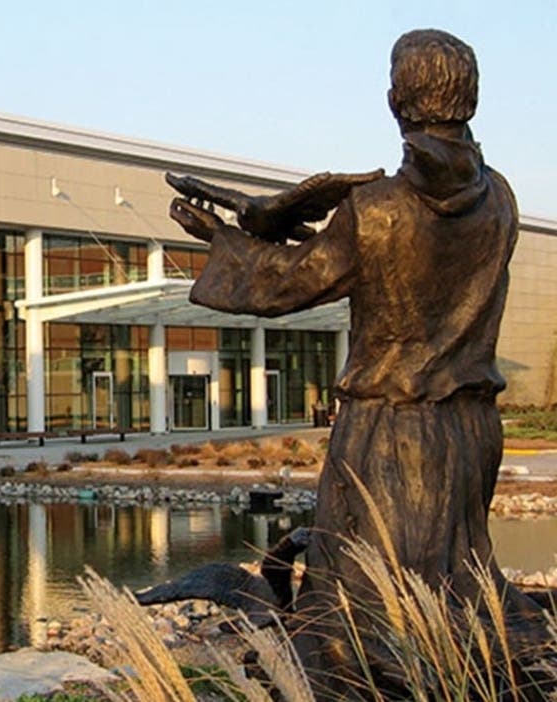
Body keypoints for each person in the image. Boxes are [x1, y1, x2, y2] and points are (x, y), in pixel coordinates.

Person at [169, 28, 549, 692]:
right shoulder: (502, 200)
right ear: (471, 99)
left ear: (396, 100)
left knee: (363, 593)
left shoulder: (375, 209)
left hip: (388, 428)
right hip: (470, 431)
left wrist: (222, 239)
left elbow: (288, 284)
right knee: (455, 581)